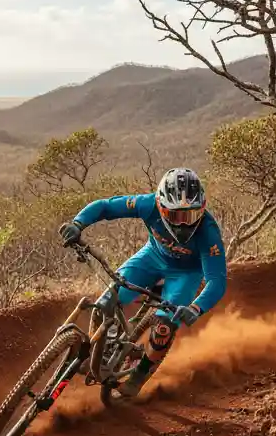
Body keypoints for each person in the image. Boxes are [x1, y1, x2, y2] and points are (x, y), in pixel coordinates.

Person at [59, 167, 226, 399]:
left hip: (186, 273)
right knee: (106, 302)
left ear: (202, 208)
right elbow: (106, 207)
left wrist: (196, 308)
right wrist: (77, 224)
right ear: (160, 206)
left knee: (165, 326)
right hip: (152, 257)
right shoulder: (148, 204)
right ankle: (103, 349)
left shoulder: (208, 233)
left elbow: (217, 280)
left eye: (190, 215)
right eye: (176, 216)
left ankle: (139, 376)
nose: (183, 224)